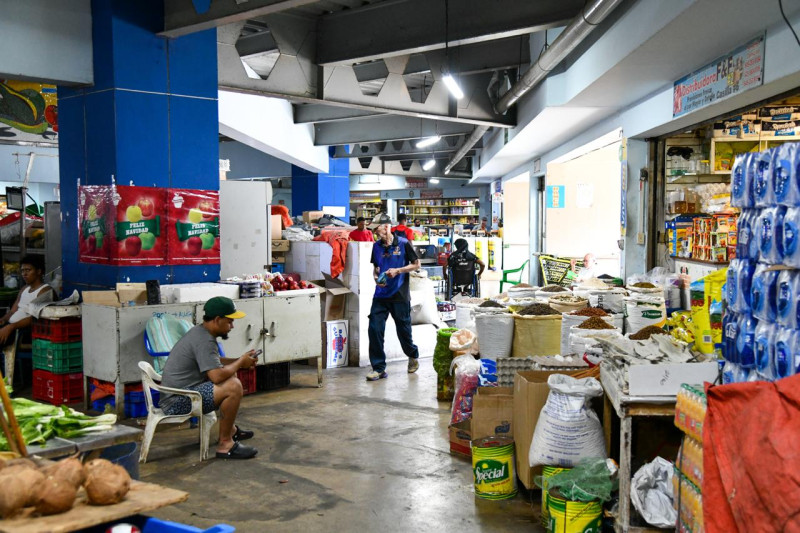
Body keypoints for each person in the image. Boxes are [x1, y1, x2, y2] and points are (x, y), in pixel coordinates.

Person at [159, 297, 259, 459]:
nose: (232, 326)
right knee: (233, 386)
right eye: (229, 321)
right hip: (177, 401)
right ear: (218, 320)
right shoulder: (204, 340)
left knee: (231, 374)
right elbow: (216, 376)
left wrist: (240, 360)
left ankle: (231, 430)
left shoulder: (201, 333)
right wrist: (241, 362)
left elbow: (214, 363)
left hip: (180, 394)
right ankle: (225, 445)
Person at [366, 223, 421, 381]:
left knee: (404, 331)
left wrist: (398, 270)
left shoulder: (403, 243)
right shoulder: (376, 247)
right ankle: (378, 368)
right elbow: (376, 268)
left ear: (387, 227)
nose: (378, 234)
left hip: (399, 295)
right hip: (381, 295)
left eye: (380, 230)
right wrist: (376, 279)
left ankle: (412, 355)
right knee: (374, 329)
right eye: (376, 232)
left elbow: (417, 264)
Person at [0, 255, 53, 345]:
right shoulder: (24, 289)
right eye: (22, 271)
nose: (24, 274)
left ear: (39, 271)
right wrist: (3, 319)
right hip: (11, 327)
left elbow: (33, 318)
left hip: (24, 332)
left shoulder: (45, 291)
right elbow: (12, 311)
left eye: (28, 270)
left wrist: (11, 327)